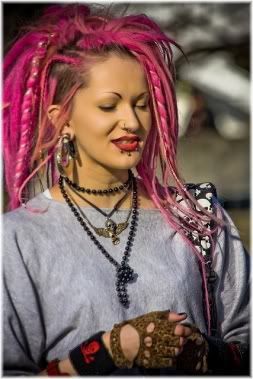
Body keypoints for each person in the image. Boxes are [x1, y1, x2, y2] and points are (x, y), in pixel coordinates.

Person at [3, 3, 249, 376]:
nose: (131, 122)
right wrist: (104, 353)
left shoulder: (198, 216)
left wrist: (201, 353)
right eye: (108, 105)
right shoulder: (18, 238)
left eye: (142, 104)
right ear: (61, 120)